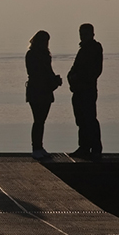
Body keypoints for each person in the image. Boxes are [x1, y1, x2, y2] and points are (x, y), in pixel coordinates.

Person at [67, 23, 103, 160]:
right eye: (81, 33)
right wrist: (71, 78)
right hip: (78, 90)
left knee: (90, 119)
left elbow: (95, 71)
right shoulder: (83, 49)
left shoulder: (95, 48)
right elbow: (74, 68)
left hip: (87, 90)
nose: (82, 36)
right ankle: (84, 147)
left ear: (92, 34)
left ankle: (95, 148)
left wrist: (78, 78)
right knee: (81, 120)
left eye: (85, 34)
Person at [25, 31, 62, 160]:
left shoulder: (45, 55)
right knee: (38, 120)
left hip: (44, 91)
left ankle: (39, 147)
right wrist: (51, 80)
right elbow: (35, 73)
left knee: (41, 121)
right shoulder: (31, 55)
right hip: (36, 91)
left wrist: (54, 79)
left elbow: (48, 71)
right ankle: (36, 148)